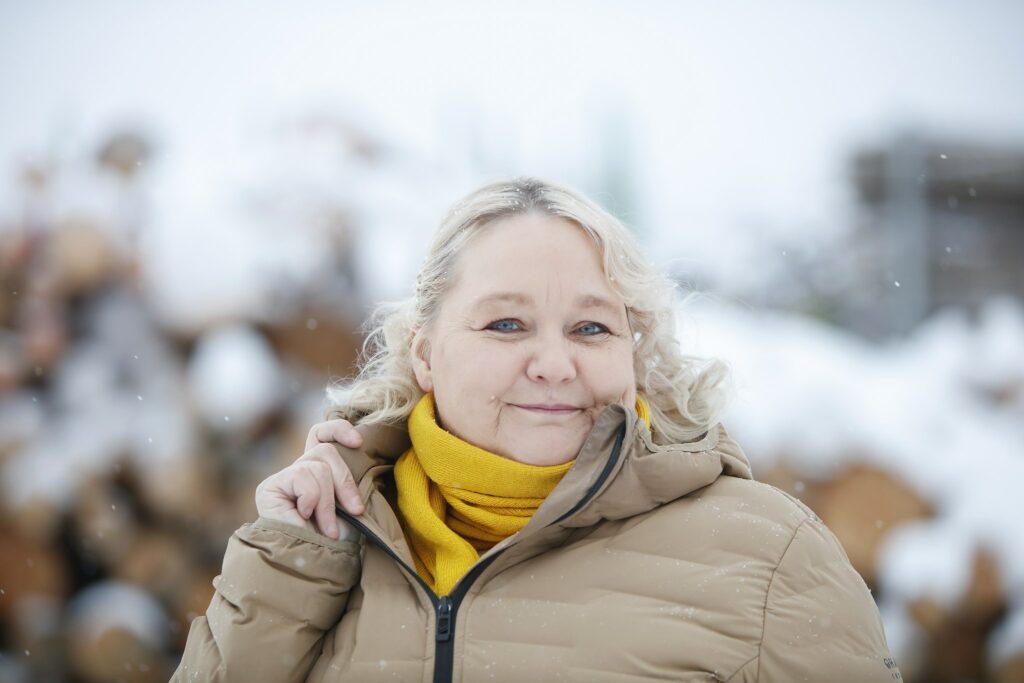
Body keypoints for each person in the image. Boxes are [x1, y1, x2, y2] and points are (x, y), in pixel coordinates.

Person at [172, 177, 901, 682]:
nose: (554, 363)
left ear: (631, 350)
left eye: (590, 326)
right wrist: (290, 567)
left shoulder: (771, 556)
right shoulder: (328, 540)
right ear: (426, 352)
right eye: (507, 323)